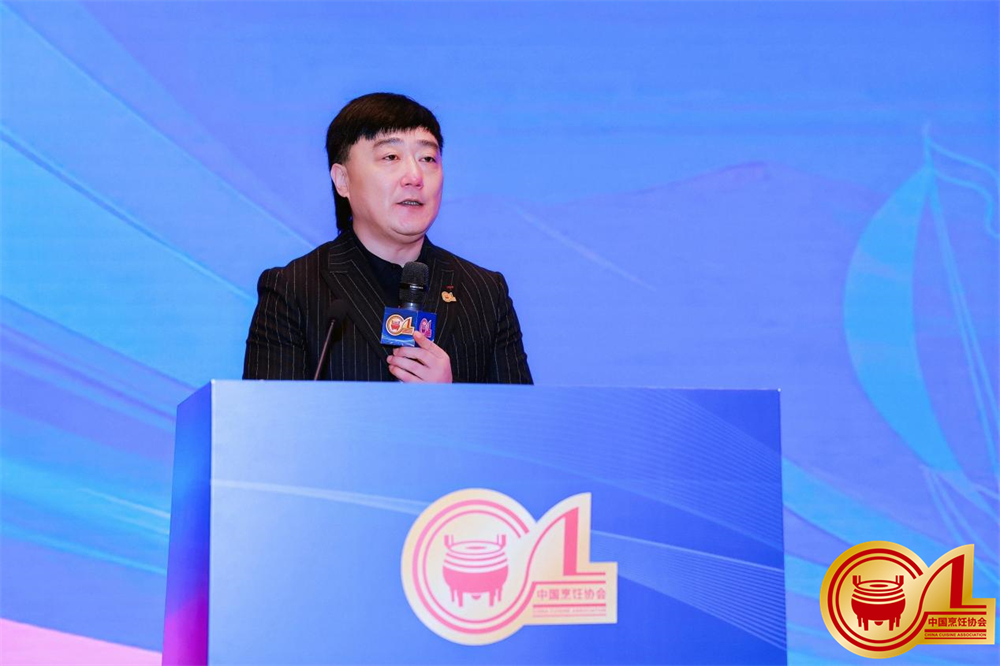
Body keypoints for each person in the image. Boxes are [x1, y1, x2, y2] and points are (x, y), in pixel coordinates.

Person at [243, 93, 532, 384]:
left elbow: (522, 413)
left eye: (427, 158)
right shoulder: (293, 290)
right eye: (391, 157)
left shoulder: (484, 293)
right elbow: (270, 412)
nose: (415, 176)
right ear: (343, 180)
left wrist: (450, 400)